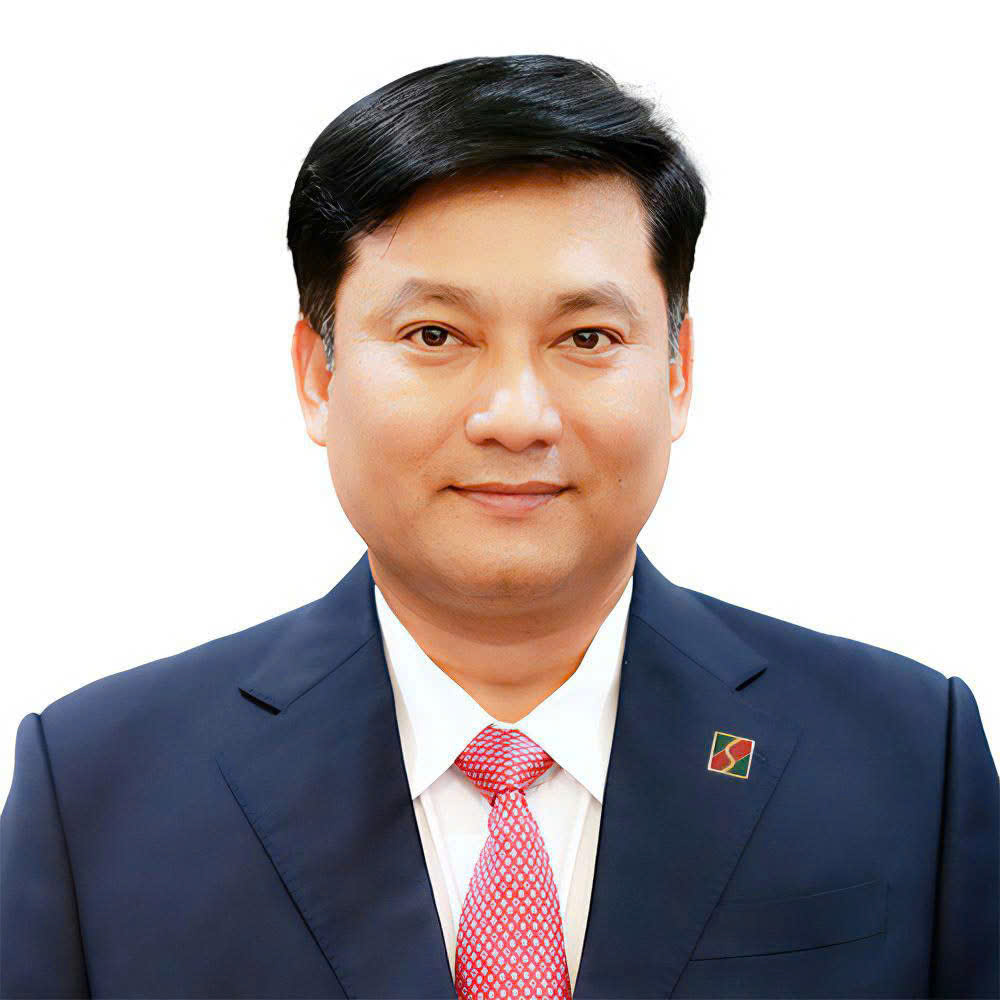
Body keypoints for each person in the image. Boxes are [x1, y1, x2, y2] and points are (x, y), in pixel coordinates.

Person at [1, 53, 996, 1000]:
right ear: (318, 375)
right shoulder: (96, 787)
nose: (517, 415)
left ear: (676, 372)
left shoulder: (908, 753)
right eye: (435, 335)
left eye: (586, 337)